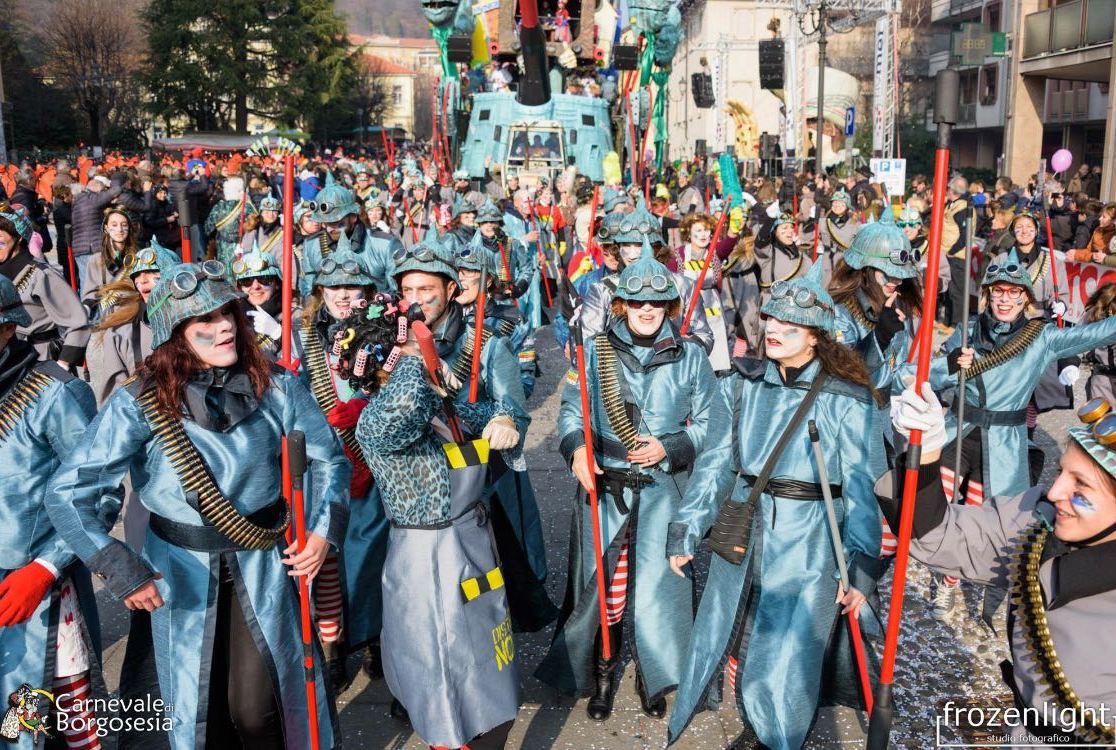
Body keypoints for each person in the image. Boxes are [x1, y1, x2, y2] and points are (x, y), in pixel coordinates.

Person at [47, 261, 348, 748]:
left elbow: (330, 461)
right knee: (190, 713)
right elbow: (68, 492)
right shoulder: (139, 401)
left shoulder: (278, 385)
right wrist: (120, 566)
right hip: (178, 571)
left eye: (228, 313)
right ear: (176, 334)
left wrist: (320, 532)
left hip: (264, 563)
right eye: (204, 322)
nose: (224, 326)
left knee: (257, 711)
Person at [667, 260, 886, 749]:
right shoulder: (741, 384)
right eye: (772, 322)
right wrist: (685, 529)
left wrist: (862, 568)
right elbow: (717, 465)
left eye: (792, 327)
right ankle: (755, 722)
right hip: (743, 532)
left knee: (788, 653)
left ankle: (775, 737)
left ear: (817, 338)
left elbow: (862, 488)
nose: (776, 332)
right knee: (738, 638)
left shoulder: (847, 399)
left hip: (808, 544)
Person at [537, 238, 728, 721]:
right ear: (621, 303)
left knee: (660, 588)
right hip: (608, 489)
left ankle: (654, 673)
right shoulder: (596, 350)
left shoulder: (689, 356)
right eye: (637, 301)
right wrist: (577, 447)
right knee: (607, 589)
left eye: (657, 302)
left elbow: (713, 424)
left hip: (665, 491)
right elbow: (570, 411)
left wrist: (672, 445)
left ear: (669, 304)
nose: (647, 310)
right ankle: (602, 673)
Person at [882, 382, 1116, 745]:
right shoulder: (1037, 521)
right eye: (1061, 473)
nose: (1054, 492)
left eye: (1080, 488)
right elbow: (936, 536)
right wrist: (923, 455)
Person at [337, 292, 521, 749]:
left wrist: (504, 419)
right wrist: (419, 368)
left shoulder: (441, 407)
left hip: (472, 543)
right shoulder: (377, 420)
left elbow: (494, 414)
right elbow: (397, 415)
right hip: (428, 559)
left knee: (488, 668)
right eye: (422, 345)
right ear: (391, 362)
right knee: (444, 670)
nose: (434, 349)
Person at [915, 252, 1116, 617]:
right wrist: (950, 365)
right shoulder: (966, 327)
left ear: (1025, 298)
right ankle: (945, 570)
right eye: (998, 292)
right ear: (988, 295)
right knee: (933, 508)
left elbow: (1097, 332)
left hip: (1004, 444)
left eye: (1013, 293)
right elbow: (922, 375)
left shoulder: (1040, 338)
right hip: (959, 431)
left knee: (983, 520)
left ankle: (954, 581)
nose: (1005, 300)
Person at [395, 237, 557, 633]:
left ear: (450, 290)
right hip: (409, 488)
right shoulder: (392, 343)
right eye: (408, 291)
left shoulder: (487, 344)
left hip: (471, 484)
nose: (417, 300)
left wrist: (501, 421)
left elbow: (512, 410)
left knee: (477, 592)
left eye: (427, 290)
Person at [0, 276, 105, 750]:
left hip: (34, 589)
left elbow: (96, 493)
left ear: (7, 330)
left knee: (37, 729)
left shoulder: (55, 393)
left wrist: (44, 567)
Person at [295, 242, 385, 688]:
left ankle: (375, 639)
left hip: (374, 458)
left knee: (372, 557)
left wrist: (367, 408)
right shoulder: (301, 336)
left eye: (354, 286)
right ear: (320, 291)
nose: (345, 295)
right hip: (322, 462)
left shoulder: (388, 330)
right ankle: (332, 648)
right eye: (335, 287)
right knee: (325, 556)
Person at [0, 205, 89, 368]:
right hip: (7, 359)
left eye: (0, 242)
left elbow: (78, 323)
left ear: (19, 239)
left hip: (42, 358)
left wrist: (63, 363)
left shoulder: (42, 274)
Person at [723, 212, 813, 356]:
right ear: (775, 233)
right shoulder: (768, 253)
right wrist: (770, 218)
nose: (789, 231)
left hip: (794, 311)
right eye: (783, 229)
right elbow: (761, 241)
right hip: (770, 307)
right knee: (767, 350)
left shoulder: (804, 259)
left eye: (791, 228)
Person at [676, 212, 732, 371]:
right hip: (687, 307)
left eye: (706, 230)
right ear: (688, 232)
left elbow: (730, 240)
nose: (703, 234)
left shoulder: (715, 252)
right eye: (699, 230)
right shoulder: (678, 255)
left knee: (717, 352)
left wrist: (734, 222)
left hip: (711, 306)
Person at [232, 249, 288, 361]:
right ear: (240, 287)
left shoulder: (296, 316)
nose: (256, 286)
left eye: (264, 279)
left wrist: (279, 335)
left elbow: (302, 366)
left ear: (277, 284)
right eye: (246, 281)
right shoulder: (234, 318)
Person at [82, 206, 139, 305]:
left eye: (124, 225)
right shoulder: (96, 260)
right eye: (114, 225)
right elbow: (90, 293)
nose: (120, 229)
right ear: (106, 228)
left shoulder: (138, 257)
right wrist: (87, 307)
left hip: (133, 313)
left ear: (129, 228)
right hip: (109, 315)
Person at [204, 176, 257, 269]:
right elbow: (256, 223)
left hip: (223, 245)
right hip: (244, 244)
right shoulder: (247, 206)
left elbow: (208, 228)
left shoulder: (219, 206)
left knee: (225, 271)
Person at [816, 189, 859, 282]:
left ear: (847, 206)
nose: (837, 206)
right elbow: (818, 240)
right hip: (827, 263)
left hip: (846, 263)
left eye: (841, 204)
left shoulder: (855, 224)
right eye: (834, 203)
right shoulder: (823, 222)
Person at [239, 190, 283, 256]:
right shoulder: (253, 228)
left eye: (274, 212)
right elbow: (246, 252)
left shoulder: (282, 230)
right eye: (267, 212)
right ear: (261, 213)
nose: (271, 215)